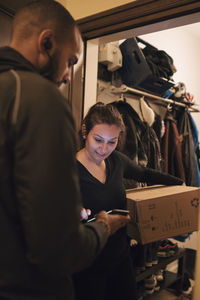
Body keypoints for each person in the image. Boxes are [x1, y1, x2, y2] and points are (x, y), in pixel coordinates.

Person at [0, 1, 130, 300]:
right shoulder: (39, 97)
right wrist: (102, 227)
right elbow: (60, 250)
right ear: (46, 42)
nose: (69, 76)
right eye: (71, 61)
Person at [73, 102, 184, 300]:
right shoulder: (69, 169)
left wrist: (182, 185)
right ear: (85, 132)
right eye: (98, 140)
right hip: (88, 267)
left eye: (112, 141)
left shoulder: (117, 161)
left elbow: (145, 173)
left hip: (120, 258)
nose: (104, 149)